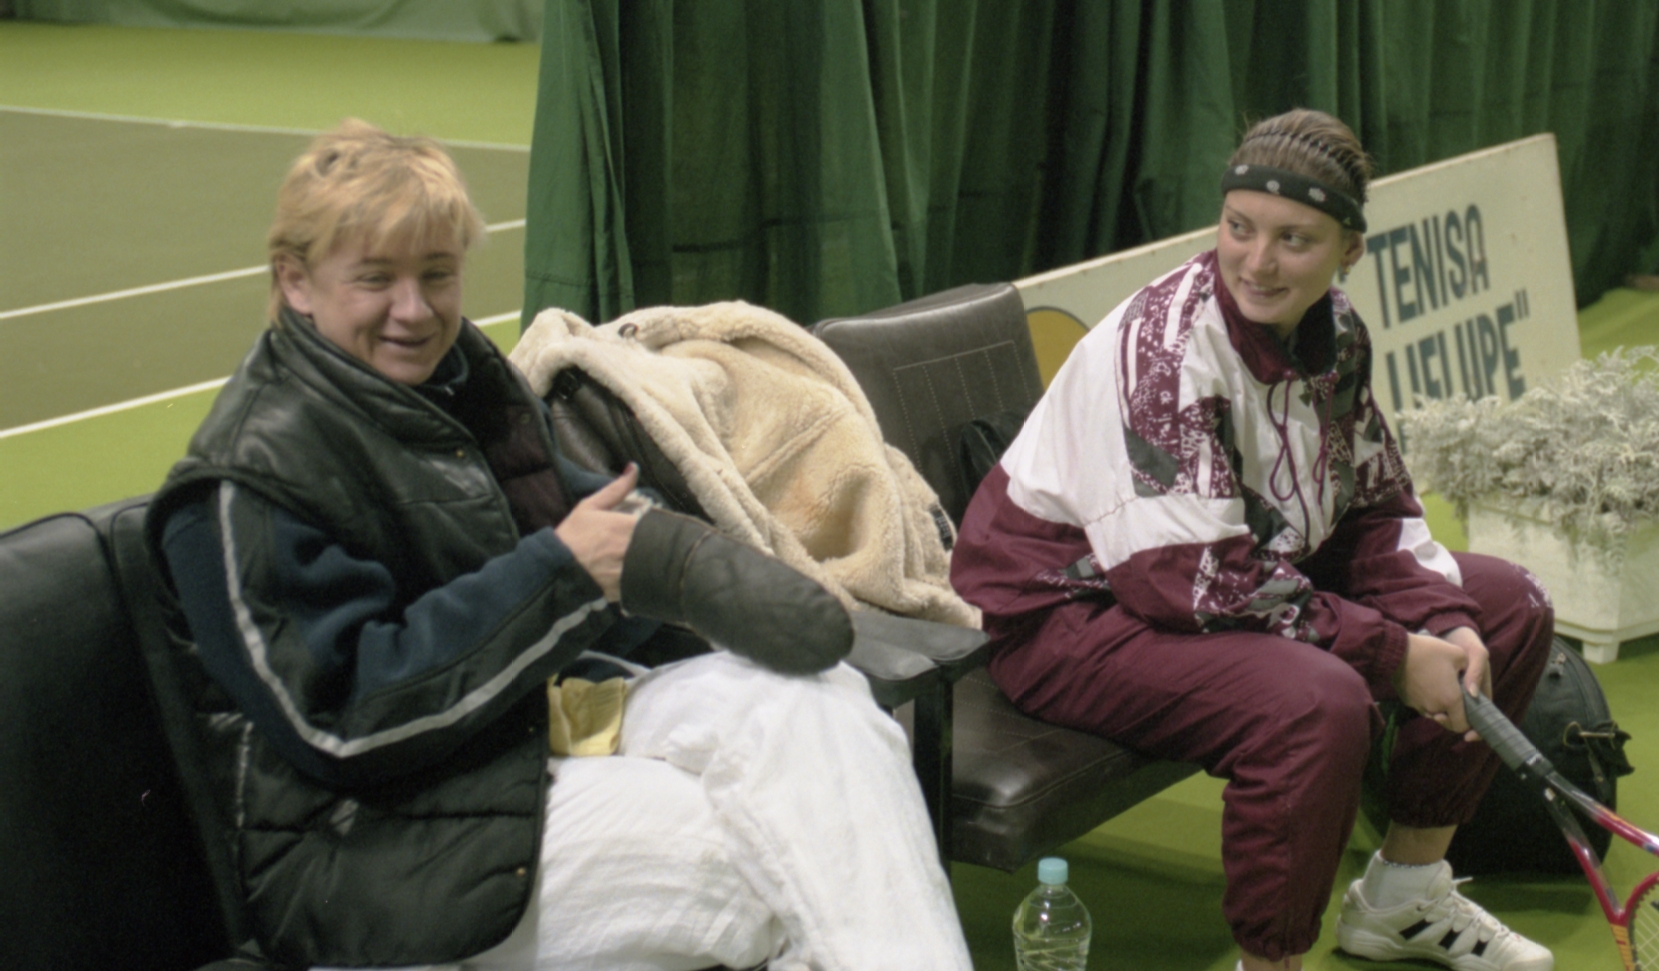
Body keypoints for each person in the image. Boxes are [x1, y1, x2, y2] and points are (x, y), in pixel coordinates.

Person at [146, 118, 972, 971]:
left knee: (824, 705)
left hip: (521, 739)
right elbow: (344, 729)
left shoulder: (458, 382)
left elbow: (578, 509)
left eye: (437, 274)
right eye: (375, 279)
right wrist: (565, 574)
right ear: (296, 281)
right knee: (798, 855)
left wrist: (672, 557)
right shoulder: (245, 479)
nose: (414, 309)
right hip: (367, 849)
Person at [950, 109, 1555, 971]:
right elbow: (1186, 579)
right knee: (1315, 701)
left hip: (1229, 572)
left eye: (1293, 239)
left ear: (1348, 250)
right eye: (1239, 227)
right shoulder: (1163, 349)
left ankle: (1403, 896)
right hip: (1067, 614)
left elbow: (1374, 505)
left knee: (1503, 608)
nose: (1257, 261)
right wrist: (1391, 653)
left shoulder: (1334, 331)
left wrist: (1444, 619)